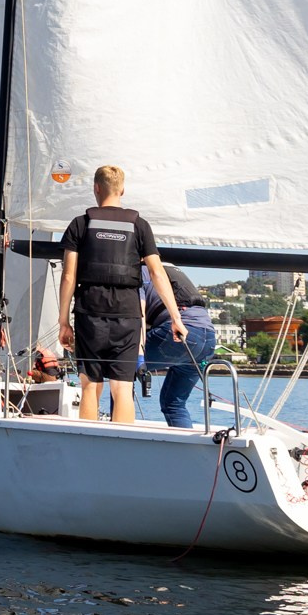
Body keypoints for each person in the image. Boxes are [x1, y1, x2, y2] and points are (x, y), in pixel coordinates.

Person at [57, 164, 173, 424]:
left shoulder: (80, 224)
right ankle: (122, 446)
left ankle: (88, 444)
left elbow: (68, 276)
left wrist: (63, 321)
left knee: (90, 386)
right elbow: (156, 272)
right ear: (122, 190)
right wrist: (175, 318)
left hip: (89, 313)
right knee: (121, 388)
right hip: (127, 315)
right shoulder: (140, 226)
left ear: (96, 189)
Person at [137, 261, 217, 428]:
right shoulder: (171, 267)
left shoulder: (141, 271)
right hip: (208, 337)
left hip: (179, 333)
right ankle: (187, 451)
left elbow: (139, 316)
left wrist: (137, 357)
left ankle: (118, 434)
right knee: (173, 403)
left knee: (121, 375)